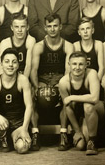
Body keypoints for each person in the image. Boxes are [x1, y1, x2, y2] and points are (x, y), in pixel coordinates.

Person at [30, 14, 74, 151]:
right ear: (45, 28)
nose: (52, 29)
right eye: (49, 26)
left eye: (55, 25)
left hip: (60, 78)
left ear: (60, 26)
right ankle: (35, 134)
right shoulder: (39, 46)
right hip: (43, 78)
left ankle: (63, 134)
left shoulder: (68, 46)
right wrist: (37, 88)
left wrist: (60, 87)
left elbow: (68, 71)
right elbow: (33, 70)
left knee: (66, 97)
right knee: (30, 96)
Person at [59, 52, 105, 155]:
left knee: (88, 105)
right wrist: (78, 131)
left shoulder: (91, 74)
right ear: (69, 65)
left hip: (99, 110)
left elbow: (94, 98)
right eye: (74, 64)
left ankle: (92, 142)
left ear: (86, 65)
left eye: (81, 64)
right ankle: (79, 134)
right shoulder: (63, 82)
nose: (77, 67)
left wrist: (72, 97)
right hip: (82, 115)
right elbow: (68, 108)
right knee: (80, 146)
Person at [0, 48, 33, 154]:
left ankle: (13, 138)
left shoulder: (23, 80)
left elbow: (29, 106)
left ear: (18, 65)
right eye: (7, 61)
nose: (10, 65)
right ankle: (3, 138)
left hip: (19, 124)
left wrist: (24, 129)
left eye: (14, 62)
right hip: (3, 123)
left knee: (22, 148)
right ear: (1, 64)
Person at [0, 12, 36, 77]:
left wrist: (23, 82)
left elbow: (28, 66)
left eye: (23, 26)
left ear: (27, 27)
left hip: (25, 76)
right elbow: (2, 66)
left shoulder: (30, 40)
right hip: (10, 76)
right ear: (12, 28)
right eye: (16, 27)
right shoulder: (5, 42)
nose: (19, 30)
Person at [73, 17, 104, 87]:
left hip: (95, 78)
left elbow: (101, 68)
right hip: (80, 79)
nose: (85, 31)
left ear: (92, 30)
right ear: (79, 32)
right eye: (82, 29)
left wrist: (95, 83)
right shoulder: (76, 46)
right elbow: (73, 68)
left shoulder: (98, 44)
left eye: (88, 28)